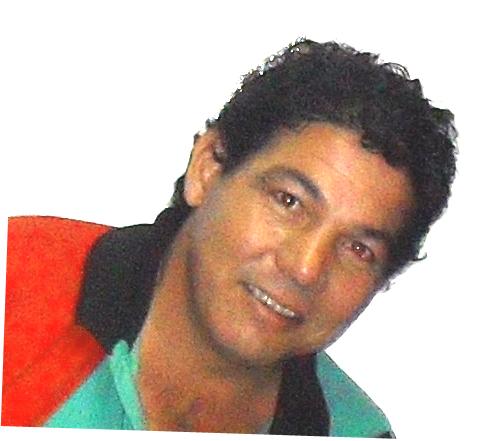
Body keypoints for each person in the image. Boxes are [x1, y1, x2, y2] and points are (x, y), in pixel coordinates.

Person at [2, 38, 457, 437]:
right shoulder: (17, 279)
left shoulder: (354, 432)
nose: (305, 267)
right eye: (289, 201)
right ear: (208, 169)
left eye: (359, 249)